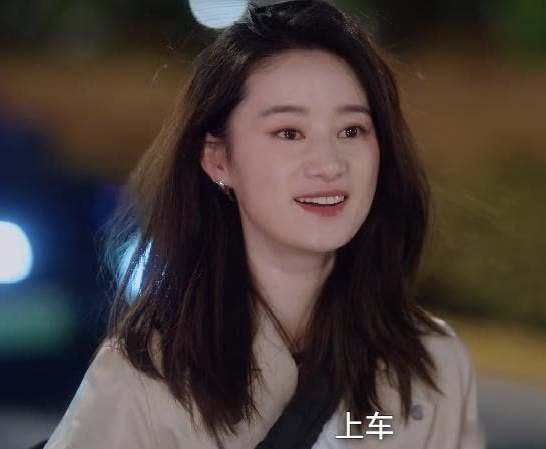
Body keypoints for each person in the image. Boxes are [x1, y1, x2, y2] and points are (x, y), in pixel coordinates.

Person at [44, 1, 484, 448]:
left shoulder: (431, 365)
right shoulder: (146, 376)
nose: (329, 164)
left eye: (351, 131)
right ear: (219, 159)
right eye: (288, 133)